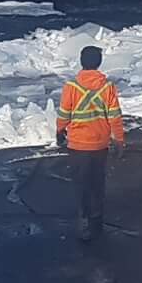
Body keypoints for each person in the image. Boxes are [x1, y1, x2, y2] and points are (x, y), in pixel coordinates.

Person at [55, 45, 126, 241]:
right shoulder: (107, 87)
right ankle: (97, 220)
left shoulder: (71, 87)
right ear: (99, 63)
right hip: (99, 145)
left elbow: (64, 114)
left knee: (81, 183)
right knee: (97, 182)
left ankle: (84, 220)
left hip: (78, 145)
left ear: (81, 62)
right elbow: (115, 116)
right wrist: (119, 140)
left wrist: (60, 131)